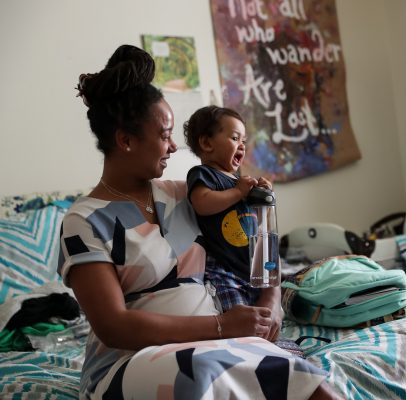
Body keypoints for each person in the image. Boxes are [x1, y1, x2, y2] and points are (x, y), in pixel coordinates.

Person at [59, 44, 339, 400]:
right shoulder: (84, 220)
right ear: (125, 140)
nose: (174, 147)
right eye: (165, 135)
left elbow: (262, 239)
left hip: (218, 344)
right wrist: (221, 326)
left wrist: (271, 301)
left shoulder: (189, 194)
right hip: (131, 360)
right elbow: (114, 326)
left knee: (309, 382)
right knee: (202, 372)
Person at [183, 106, 281, 331]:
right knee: (243, 322)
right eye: (235, 138)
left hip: (252, 268)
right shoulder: (204, 174)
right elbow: (202, 202)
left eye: (244, 140)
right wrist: (238, 192)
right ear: (207, 143)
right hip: (225, 270)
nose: (242, 145)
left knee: (266, 319)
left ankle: (271, 344)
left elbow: (257, 223)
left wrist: (263, 195)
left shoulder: (238, 181)